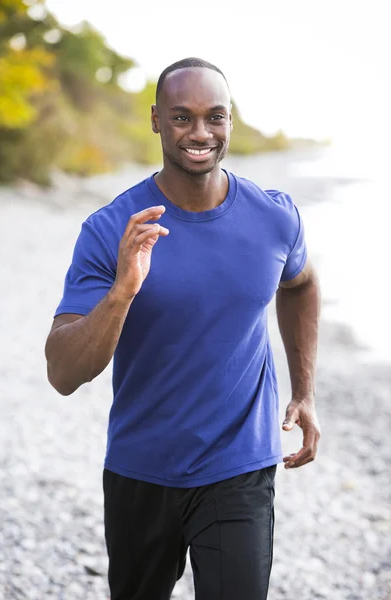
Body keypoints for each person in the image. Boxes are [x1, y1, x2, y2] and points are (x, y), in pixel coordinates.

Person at [45, 57, 321, 600]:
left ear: (230, 121)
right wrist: (122, 291)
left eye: (215, 117)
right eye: (181, 117)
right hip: (141, 467)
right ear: (154, 120)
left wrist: (305, 391)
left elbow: (302, 284)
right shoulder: (110, 230)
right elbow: (62, 372)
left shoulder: (275, 216)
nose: (200, 133)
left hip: (239, 464)